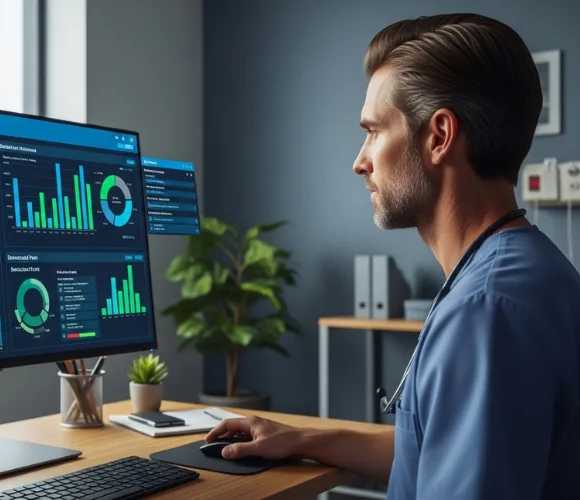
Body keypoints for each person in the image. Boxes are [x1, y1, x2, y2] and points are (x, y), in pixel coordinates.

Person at [205, 13, 580, 499]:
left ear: (439, 137)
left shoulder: (483, 313)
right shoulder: (532, 272)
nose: (359, 161)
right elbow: (438, 448)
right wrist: (303, 439)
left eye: (374, 131)